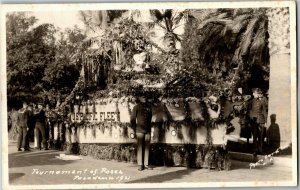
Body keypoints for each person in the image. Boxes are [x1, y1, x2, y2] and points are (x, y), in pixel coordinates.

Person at [130, 96, 153, 171]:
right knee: (140, 147)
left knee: (147, 147)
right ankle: (140, 165)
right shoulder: (136, 107)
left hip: (147, 130)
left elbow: (150, 119)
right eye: (142, 97)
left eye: (145, 97)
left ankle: (146, 164)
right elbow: (132, 119)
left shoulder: (149, 107)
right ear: (139, 99)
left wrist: (149, 128)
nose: (144, 98)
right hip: (139, 130)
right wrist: (134, 129)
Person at [248, 88, 268, 157]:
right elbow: (249, 112)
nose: (258, 94)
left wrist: (265, 121)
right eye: (256, 93)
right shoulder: (250, 102)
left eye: (258, 93)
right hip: (254, 122)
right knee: (255, 137)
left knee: (261, 136)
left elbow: (264, 112)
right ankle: (255, 150)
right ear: (253, 94)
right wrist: (251, 120)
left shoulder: (261, 102)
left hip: (261, 121)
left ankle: (260, 150)